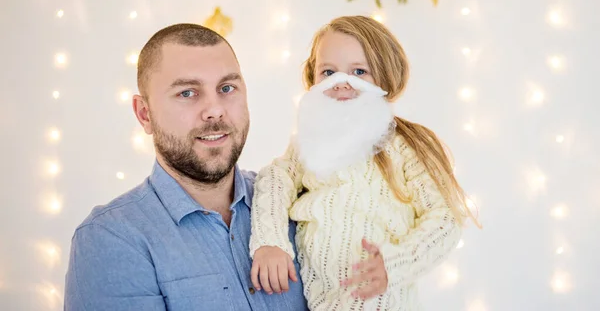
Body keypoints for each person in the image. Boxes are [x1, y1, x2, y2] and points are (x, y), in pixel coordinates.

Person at [64, 24, 307, 311]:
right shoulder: (112, 238)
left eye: (226, 88)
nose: (214, 110)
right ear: (145, 114)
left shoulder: (297, 204)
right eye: (188, 93)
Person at [249, 16, 479, 310]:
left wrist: (394, 264)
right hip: (318, 300)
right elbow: (274, 181)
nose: (341, 82)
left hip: (380, 298)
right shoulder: (307, 143)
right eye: (328, 71)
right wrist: (270, 242)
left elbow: (445, 219)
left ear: (384, 77)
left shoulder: (403, 145)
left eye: (359, 71)